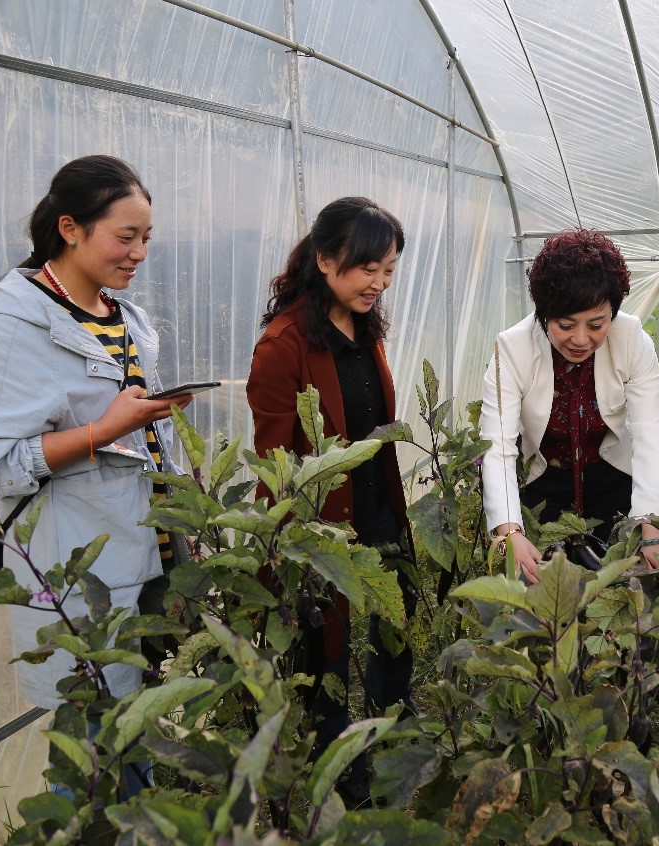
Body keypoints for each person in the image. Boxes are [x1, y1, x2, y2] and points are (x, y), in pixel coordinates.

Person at [0, 154, 189, 795]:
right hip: (79, 574)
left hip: (151, 553)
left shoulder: (123, 317)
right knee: (91, 753)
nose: (139, 253)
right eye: (126, 236)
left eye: (147, 238)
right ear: (70, 228)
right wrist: (102, 431)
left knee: (132, 731)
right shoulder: (10, 325)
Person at [246, 196, 415, 802]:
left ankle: (399, 740)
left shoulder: (365, 327)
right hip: (323, 527)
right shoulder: (284, 344)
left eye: (388, 270)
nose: (379, 283)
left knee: (396, 627)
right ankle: (339, 774)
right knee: (326, 659)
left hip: (378, 509)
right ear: (324, 260)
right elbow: (274, 462)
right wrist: (282, 551)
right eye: (368, 268)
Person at [481, 229, 659, 583]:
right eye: (565, 325)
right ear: (543, 314)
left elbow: (649, 434)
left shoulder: (631, 339)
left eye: (597, 325)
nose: (581, 339)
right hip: (545, 482)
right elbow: (497, 446)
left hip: (611, 476)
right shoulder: (513, 349)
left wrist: (652, 524)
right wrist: (510, 531)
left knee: (619, 584)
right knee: (545, 591)